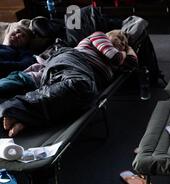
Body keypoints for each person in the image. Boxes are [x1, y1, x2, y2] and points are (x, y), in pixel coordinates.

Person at [0, 29, 137, 137]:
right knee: (80, 85)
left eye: (124, 45)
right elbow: (115, 57)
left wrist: (127, 49)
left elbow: (132, 64)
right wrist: (124, 52)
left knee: (81, 99)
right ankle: (14, 108)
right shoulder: (99, 36)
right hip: (73, 59)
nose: (122, 44)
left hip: (85, 77)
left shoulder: (118, 56)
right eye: (119, 38)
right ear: (110, 35)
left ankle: (24, 120)